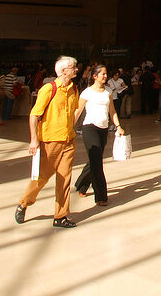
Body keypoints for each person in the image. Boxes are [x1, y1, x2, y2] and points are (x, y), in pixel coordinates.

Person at [15, 56, 80, 228]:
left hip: (68, 140)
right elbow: (34, 115)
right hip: (50, 141)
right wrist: (34, 140)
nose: (77, 70)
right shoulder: (48, 89)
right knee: (42, 178)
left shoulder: (74, 89)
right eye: (74, 67)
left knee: (65, 179)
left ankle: (60, 216)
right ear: (63, 71)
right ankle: (24, 202)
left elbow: (73, 112)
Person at [73, 64, 124, 207]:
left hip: (103, 129)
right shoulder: (87, 93)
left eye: (106, 73)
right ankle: (101, 195)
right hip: (90, 128)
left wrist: (118, 126)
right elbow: (77, 112)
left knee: (94, 160)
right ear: (95, 76)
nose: (105, 76)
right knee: (97, 162)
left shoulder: (108, 91)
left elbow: (112, 111)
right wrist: (69, 127)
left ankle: (81, 185)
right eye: (102, 74)